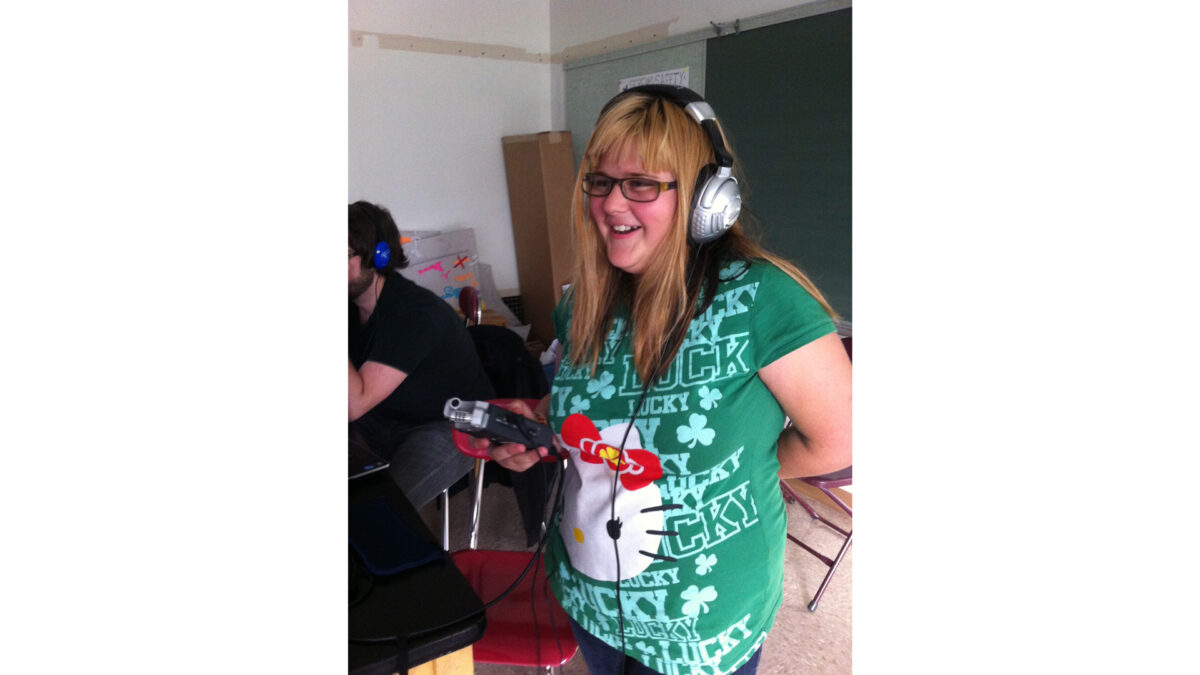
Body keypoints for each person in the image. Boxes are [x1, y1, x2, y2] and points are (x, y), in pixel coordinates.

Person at [477, 85, 851, 674]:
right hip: (590, 592)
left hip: (699, 623)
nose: (611, 204)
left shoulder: (766, 301)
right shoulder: (584, 304)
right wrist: (544, 429)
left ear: (709, 198)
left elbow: (840, 439)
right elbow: (588, 408)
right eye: (599, 181)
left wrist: (728, 469)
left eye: (642, 184)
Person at [348, 200, 494, 508]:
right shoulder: (352, 305)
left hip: (449, 423)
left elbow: (354, 404)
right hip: (385, 415)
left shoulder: (415, 314)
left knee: (377, 512)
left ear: (379, 257)